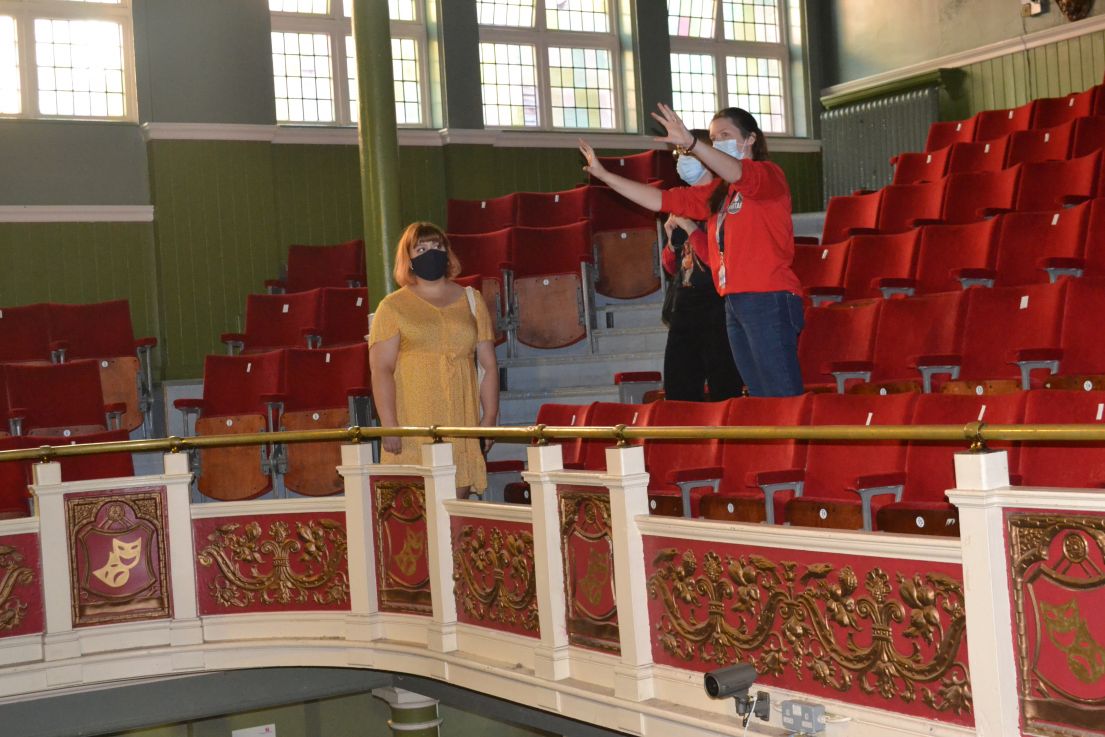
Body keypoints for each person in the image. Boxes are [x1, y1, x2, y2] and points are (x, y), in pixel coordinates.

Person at [580, 104, 804, 397]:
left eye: (725, 134)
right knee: (761, 399)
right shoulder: (719, 194)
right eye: (713, 137)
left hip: (768, 297)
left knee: (781, 396)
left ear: (751, 139)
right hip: (735, 302)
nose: (718, 141)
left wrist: (692, 143)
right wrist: (606, 177)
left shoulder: (768, 175)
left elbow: (738, 171)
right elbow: (659, 199)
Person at [368, 222, 499, 498]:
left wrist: (489, 419)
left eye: (438, 247)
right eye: (422, 248)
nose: (432, 253)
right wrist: (389, 425)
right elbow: (381, 369)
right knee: (415, 523)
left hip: (460, 427)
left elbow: (488, 365)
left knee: (454, 518)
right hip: (412, 429)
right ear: (409, 258)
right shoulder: (391, 307)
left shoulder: (471, 300)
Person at [661, 129, 744, 402]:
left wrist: (690, 227)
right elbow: (674, 268)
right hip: (685, 307)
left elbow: (716, 260)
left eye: (686, 154)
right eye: (678, 155)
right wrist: (672, 242)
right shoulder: (684, 198)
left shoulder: (725, 201)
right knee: (679, 389)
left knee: (724, 386)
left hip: (716, 306)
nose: (681, 160)